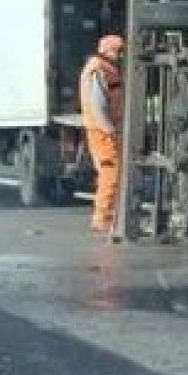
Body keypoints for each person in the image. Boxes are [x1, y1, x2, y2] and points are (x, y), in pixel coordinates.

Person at [80, 33, 125, 236]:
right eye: (119, 51)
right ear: (108, 51)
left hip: (103, 129)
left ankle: (110, 216)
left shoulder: (104, 68)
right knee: (111, 172)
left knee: (111, 172)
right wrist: (109, 128)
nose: (121, 55)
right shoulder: (99, 69)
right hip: (102, 130)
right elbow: (97, 104)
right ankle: (103, 219)